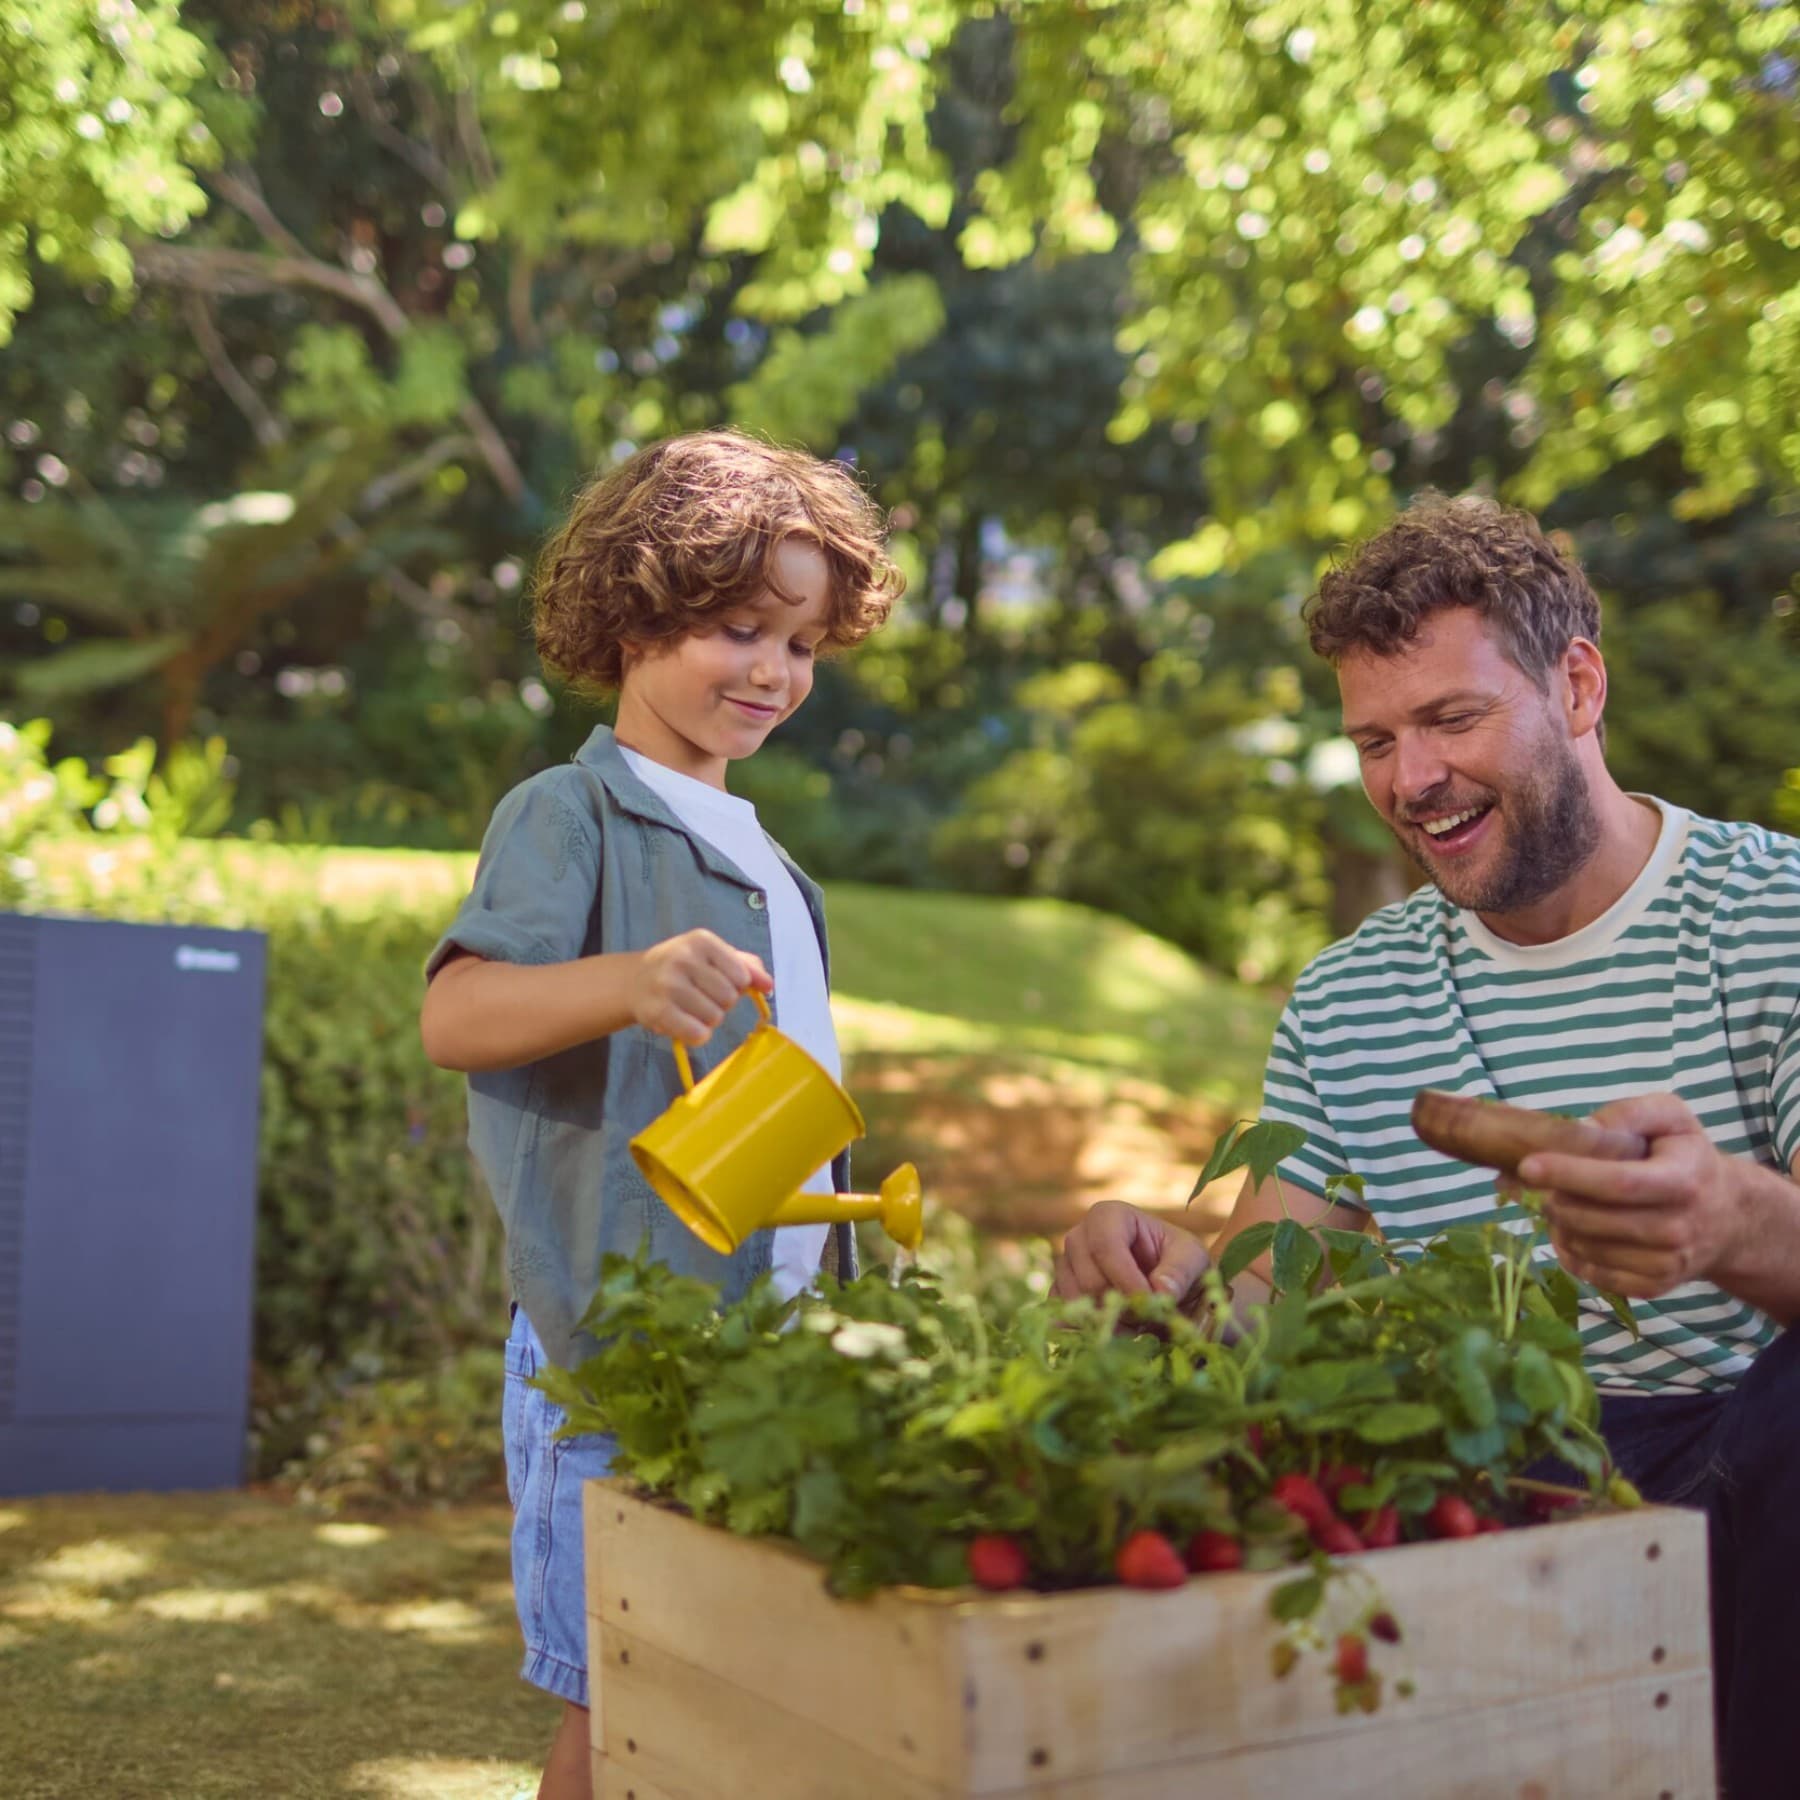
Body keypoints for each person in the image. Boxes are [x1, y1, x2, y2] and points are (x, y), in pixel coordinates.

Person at [1052, 493, 1799, 1797]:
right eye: (1375, 740)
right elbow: (1262, 1316)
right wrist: (1156, 1279)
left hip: (1752, 1493)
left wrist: (1731, 1222)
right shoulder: (1352, 997)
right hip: (1493, 1484)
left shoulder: (1772, 916)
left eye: (1452, 719)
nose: (1410, 780)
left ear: (1577, 686)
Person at [419, 431, 900, 1800]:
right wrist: (624, 984)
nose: (773, 673)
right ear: (634, 612)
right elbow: (456, 1016)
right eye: (740, 629)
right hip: (622, 1354)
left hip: (769, 1352)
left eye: (802, 645)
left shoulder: (777, 870)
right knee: (622, 1703)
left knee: (742, 1699)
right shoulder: (569, 813)